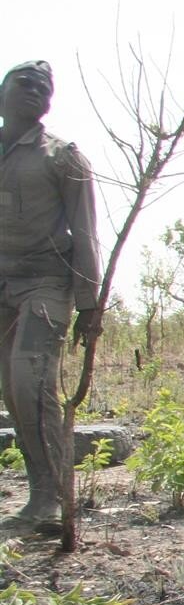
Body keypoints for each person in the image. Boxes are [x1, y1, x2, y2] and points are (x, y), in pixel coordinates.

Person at [0, 61, 103, 533]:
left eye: (43, 87)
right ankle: (40, 489)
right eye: (24, 83)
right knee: (12, 394)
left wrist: (89, 303)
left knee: (32, 384)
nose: (34, 90)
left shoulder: (63, 157)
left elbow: (85, 233)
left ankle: (50, 500)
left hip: (47, 282)